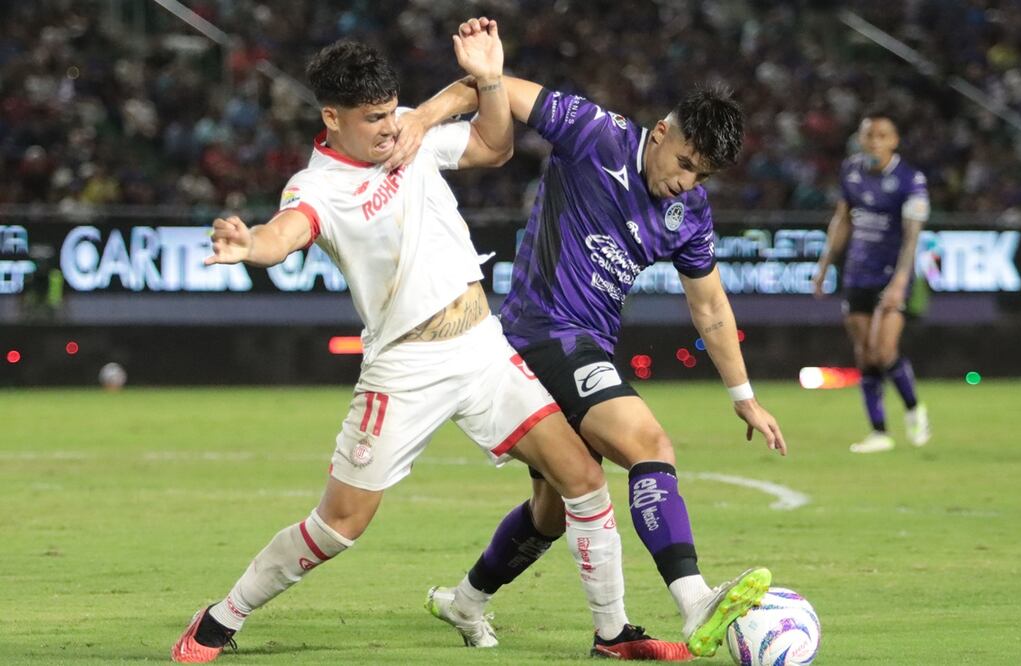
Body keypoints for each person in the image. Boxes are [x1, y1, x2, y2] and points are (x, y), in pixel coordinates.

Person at [171, 20, 687, 663]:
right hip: (405, 368)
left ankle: (613, 635)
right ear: (331, 118)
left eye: (391, 111)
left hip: (483, 349)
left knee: (582, 478)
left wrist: (490, 80)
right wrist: (252, 245)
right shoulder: (317, 186)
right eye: (372, 119)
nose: (388, 128)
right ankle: (221, 617)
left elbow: (492, 146)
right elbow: (286, 233)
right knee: (339, 526)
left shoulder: (408, 136)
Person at [393, 22, 788, 660]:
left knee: (551, 510)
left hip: (585, 346)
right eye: (686, 163)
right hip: (541, 332)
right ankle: (694, 599)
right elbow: (490, 86)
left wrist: (744, 395)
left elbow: (710, 305)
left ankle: (465, 601)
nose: (687, 182)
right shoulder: (596, 132)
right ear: (662, 131)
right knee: (649, 444)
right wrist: (420, 119)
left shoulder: (689, 214)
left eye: (703, 175)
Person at [812, 111, 932, 453]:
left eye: (882, 136)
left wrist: (900, 281)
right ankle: (879, 432)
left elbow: (912, 236)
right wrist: (824, 266)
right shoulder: (851, 171)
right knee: (865, 354)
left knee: (883, 350)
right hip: (857, 272)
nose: (875, 142)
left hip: (891, 274)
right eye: (869, 135)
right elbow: (843, 219)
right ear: (861, 140)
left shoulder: (910, 179)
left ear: (894, 141)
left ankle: (914, 409)